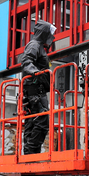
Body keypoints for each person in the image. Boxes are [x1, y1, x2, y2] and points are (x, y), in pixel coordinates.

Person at [21, 20, 56, 155]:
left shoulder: (38, 46)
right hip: (35, 90)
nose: (52, 37)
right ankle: (32, 152)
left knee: (32, 121)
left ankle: (29, 153)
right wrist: (35, 72)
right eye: (50, 33)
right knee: (42, 121)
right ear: (44, 33)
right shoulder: (34, 45)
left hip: (35, 90)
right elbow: (26, 61)